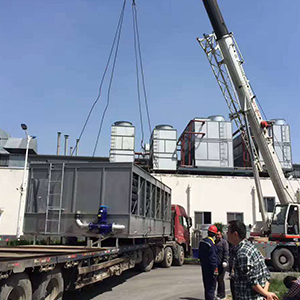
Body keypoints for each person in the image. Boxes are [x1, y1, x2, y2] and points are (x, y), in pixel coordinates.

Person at [227, 220, 278, 300]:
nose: (226, 234)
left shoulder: (242, 253)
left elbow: (252, 281)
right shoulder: (252, 247)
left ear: (235, 234)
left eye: (228, 232)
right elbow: (266, 274)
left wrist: (266, 294)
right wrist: (265, 293)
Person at [198, 224, 219, 300]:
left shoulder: (202, 242)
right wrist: (215, 269)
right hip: (211, 268)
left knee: (206, 284)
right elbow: (213, 258)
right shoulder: (211, 244)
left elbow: (199, 255)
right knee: (211, 285)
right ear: (214, 235)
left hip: (204, 266)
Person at [215, 231, 229, 299]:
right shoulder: (214, 242)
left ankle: (222, 294)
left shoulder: (224, 242)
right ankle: (218, 293)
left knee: (220, 279)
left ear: (221, 235)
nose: (217, 236)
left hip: (222, 263)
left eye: (218, 235)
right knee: (217, 279)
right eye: (216, 235)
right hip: (216, 264)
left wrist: (225, 261)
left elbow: (226, 252)